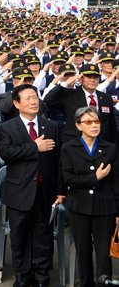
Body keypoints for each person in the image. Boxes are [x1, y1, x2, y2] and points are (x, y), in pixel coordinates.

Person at [0, 85, 65, 287]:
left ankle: (42, 277)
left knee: (43, 236)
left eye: (35, 97)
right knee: (19, 238)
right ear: (16, 104)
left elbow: (58, 160)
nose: (34, 102)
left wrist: (60, 191)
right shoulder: (6, 127)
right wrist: (34, 147)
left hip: (45, 192)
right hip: (19, 192)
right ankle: (23, 278)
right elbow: (7, 154)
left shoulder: (50, 126)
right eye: (28, 98)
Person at [61, 106, 119, 287]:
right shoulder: (68, 148)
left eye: (97, 121)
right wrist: (94, 178)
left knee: (103, 253)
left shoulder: (110, 148)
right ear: (78, 126)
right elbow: (69, 178)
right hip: (79, 205)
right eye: (88, 122)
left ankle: (104, 283)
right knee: (83, 251)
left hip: (105, 206)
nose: (94, 125)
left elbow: (117, 181)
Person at [44, 63, 119, 145]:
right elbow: (49, 100)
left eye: (95, 77)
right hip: (75, 142)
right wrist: (65, 84)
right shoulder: (70, 95)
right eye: (89, 77)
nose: (92, 80)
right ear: (80, 79)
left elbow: (112, 125)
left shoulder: (106, 97)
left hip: (101, 142)